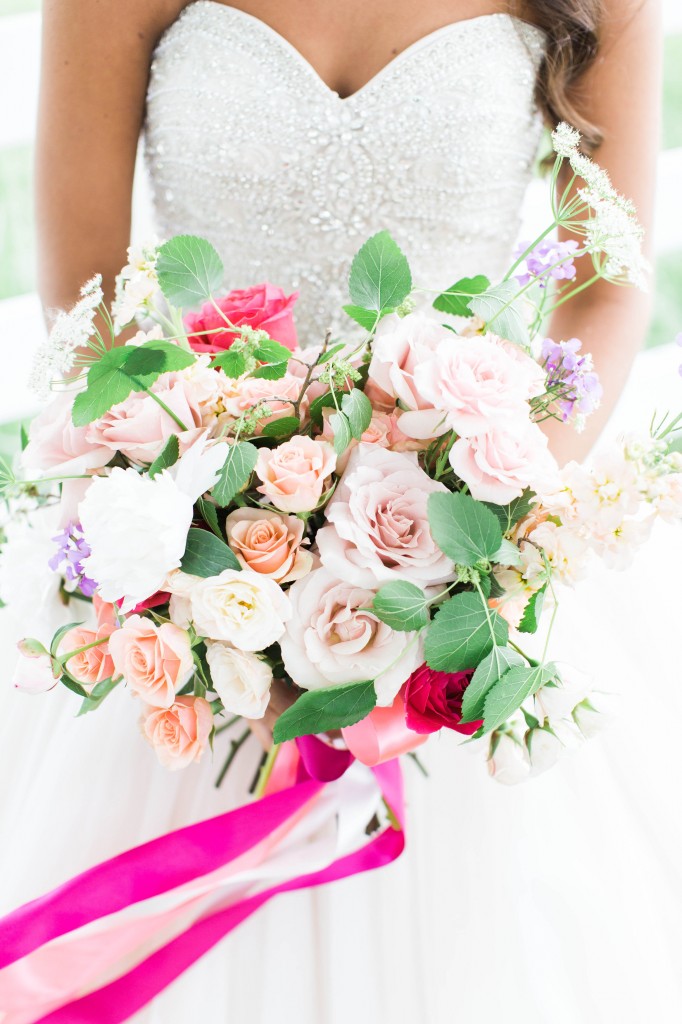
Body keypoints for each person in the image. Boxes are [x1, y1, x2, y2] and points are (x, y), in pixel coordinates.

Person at [3, 1, 680, 1021]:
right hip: (194, 559)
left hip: (471, 551)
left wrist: (485, 534)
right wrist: (213, 552)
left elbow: (604, 283)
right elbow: (88, 296)